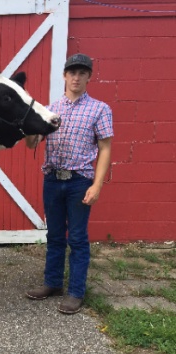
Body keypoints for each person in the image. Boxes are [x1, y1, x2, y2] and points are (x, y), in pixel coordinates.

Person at [24, 53, 113, 314]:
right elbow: (32, 143)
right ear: (64, 75)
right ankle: (52, 284)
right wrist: (29, 121)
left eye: (82, 72)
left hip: (79, 181)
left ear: (89, 77)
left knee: (76, 237)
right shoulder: (52, 111)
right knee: (53, 235)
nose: (76, 77)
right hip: (52, 179)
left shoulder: (99, 109)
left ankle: (75, 292)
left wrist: (97, 185)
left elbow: (105, 148)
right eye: (72, 72)